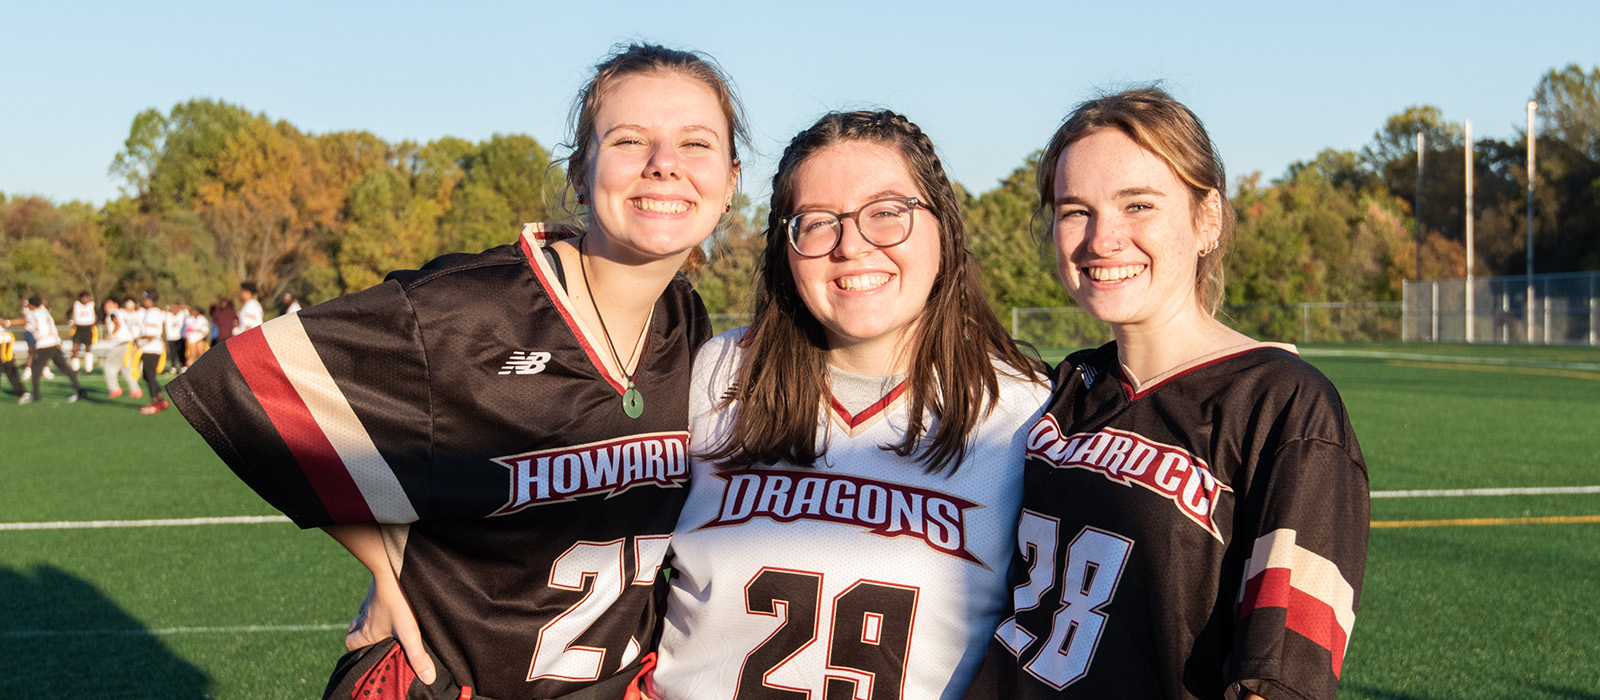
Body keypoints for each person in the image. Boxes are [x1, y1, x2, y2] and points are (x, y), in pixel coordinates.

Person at [167, 42, 744, 700]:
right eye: (630, 139)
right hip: (449, 686)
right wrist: (384, 566)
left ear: (730, 183)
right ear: (581, 174)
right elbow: (243, 377)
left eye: (696, 144)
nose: (665, 165)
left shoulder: (686, 322)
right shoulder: (470, 310)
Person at [960, 88, 1370, 700]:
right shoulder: (1059, 389)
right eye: (1076, 210)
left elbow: (1283, 678)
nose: (1102, 239)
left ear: (1208, 219)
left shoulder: (1283, 406)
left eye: (1138, 205)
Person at [649, 111, 1050, 700]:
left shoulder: (1022, 411)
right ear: (785, 246)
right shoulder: (718, 373)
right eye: (817, 223)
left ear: (945, 226)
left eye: (888, 212)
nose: (852, 247)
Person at [3, 296, 85, 404]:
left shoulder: (33, 314)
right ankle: (80, 390)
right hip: (55, 343)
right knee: (65, 368)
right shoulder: (45, 312)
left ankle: (36, 396)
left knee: (35, 370)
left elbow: (25, 321)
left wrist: (7, 322)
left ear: (31, 306)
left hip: (44, 344)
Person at [131, 290, 169, 414]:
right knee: (147, 376)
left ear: (149, 300)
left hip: (151, 347)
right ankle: (161, 399)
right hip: (151, 347)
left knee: (149, 374)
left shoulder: (152, 312)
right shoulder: (152, 312)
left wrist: (138, 339)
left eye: (143, 298)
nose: (141, 301)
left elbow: (152, 333)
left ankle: (154, 403)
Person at [102, 298, 139, 399]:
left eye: (108, 305)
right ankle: (135, 390)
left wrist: (111, 335)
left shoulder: (113, 313)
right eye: (105, 306)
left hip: (121, 343)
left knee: (108, 366)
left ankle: (114, 389)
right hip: (130, 342)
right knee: (126, 368)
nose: (106, 308)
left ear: (115, 304)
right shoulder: (126, 313)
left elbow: (117, 325)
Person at [70, 290, 98, 372]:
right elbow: (68, 313)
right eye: (84, 297)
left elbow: (100, 314)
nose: (85, 299)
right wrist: (71, 322)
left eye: (87, 297)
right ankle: (75, 368)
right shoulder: (76, 305)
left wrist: (95, 323)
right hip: (78, 329)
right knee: (75, 349)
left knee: (88, 348)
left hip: (88, 329)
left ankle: (88, 369)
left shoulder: (92, 305)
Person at [1, 323, 23, 397]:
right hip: (5, 342)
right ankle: (22, 392)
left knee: (11, 371)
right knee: (11, 372)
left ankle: (22, 392)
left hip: (4, 345)